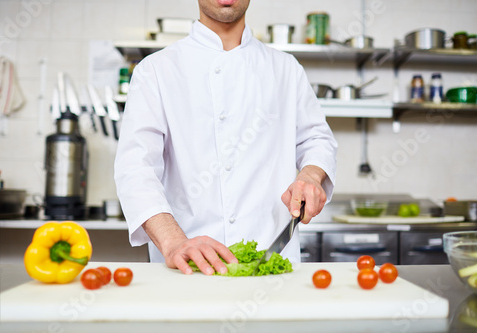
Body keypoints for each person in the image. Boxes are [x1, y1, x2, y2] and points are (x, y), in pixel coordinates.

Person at [114, 0, 337, 276]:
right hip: (186, 269)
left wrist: (311, 177)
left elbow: (317, 139)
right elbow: (135, 168)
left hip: (272, 265)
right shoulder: (155, 71)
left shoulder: (286, 69)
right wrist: (172, 243)